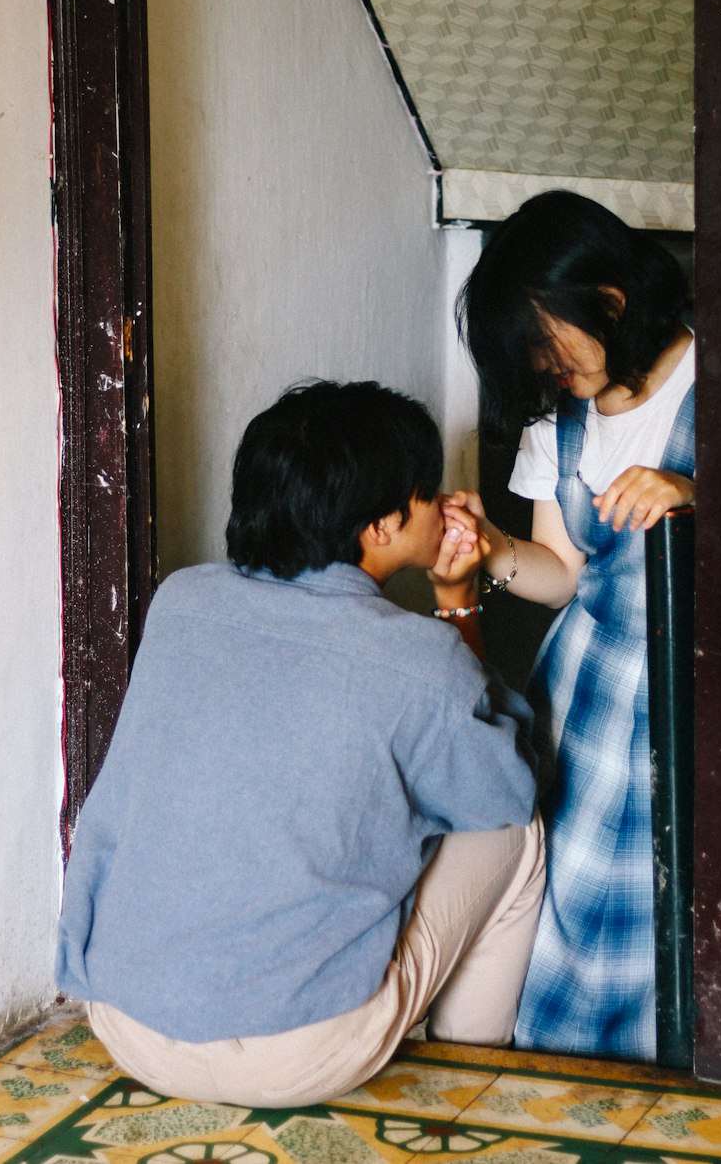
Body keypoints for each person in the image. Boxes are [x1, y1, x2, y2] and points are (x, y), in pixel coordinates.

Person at [55, 379, 544, 1107]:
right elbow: (504, 789)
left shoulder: (181, 602)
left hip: (127, 1022)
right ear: (379, 526)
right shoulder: (415, 658)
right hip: (295, 1055)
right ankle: (470, 1068)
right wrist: (455, 602)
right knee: (517, 828)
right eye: (427, 493)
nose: (443, 506)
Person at [452, 190, 694, 1062]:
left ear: (611, 298)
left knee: (663, 903)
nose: (543, 368)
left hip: (686, 693)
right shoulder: (560, 421)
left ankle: (663, 1075)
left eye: (547, 342)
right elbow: (564, 579)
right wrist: (493, 550)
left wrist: (695, 496)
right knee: (564, 895)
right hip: (585, 691)